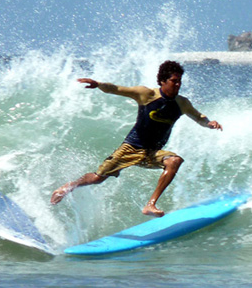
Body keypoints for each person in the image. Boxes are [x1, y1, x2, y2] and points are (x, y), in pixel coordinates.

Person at [50, 60, 222, 217]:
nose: (177, 85)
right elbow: (116, 89)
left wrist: (209, 123)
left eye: (179, 82)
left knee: (174, 161)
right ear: (162, 81)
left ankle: (150, 205)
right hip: (131, 148)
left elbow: (199, 117)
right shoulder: (146, 94)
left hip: (152, 152)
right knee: (98, 178)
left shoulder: (182, 103)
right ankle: (67, 188)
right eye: (174, 81)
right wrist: (99, 84)